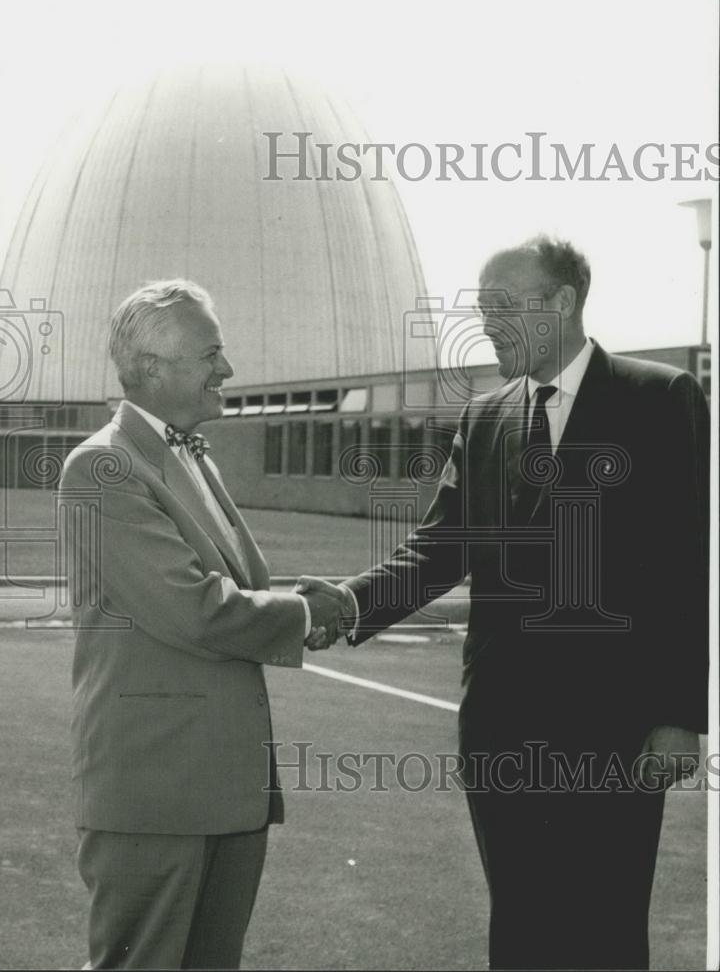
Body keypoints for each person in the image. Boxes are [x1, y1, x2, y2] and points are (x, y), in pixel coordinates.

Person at [300, 236, 709, 970]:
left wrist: (680, 716)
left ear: (562, 303)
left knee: (606, 928)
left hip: (613, 729)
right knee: (520, 923)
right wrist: (349, 602)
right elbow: (440, 546)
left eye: (502, 306)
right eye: (481, 308)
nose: (486, 323)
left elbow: (688, 563)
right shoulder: (485, 418)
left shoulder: (660, 398)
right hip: (501, 725)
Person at [58, 279, 343, 971]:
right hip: (155, 796)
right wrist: (312, 613)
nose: (229, 369)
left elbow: (240, 590)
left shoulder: (188, 454)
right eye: (212, 352)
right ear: (153, 367)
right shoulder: (103, 466)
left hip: (226, 791)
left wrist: (308, 604)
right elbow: (195, 609)